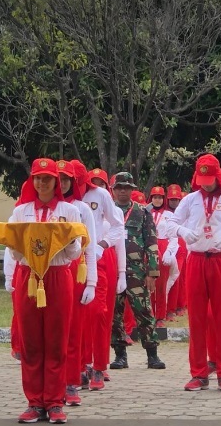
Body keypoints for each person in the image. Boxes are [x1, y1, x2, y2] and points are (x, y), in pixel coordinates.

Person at [2, 158, 83, 423]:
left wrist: (64, 239)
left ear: (56, 182)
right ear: (31, 181)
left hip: (58, 276)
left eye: (47, 178)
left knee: (57, 340)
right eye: (37, 178)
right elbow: (13, 251)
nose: (42, 183)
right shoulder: (21, 212)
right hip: (28, 278)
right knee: (31, 342)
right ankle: (35, 402)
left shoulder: (68, 211)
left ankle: (55, 401)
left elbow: (75, 252)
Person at [167, 154, 221, 392]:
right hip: (196, 260)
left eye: (210, 179)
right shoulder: (190, 200)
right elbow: (169, 224)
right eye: (202, 179)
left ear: (218, 176)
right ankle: (198, 373)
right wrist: (184, 232)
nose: (206, 184)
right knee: (196, 318)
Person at [109, 172, 166, 371]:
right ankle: (120, 355)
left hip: (136, 271)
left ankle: (152, 354)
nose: (123, 191)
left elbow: (151, 243)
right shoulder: (107, 211)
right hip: (113, 269)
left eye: (126, 187)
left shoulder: (142, 213)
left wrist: (152, 272)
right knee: (115, 313)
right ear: (113, 190)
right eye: (119, 187)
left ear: (132, 190)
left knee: (144, 311)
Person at [56, 160, 98, 406]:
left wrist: (91, 281)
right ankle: (53, 381)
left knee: (73, 330)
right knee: (53, 331)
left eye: (65, 179)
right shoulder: (40, 208)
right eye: (57, 178)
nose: (61, 183)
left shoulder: (82, 208)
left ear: (73, 182)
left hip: (77, 269)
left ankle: (71, 382)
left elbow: (89, 246)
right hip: (48, 271)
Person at [82, 163, 127, 390]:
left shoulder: (100, 197)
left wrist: (102, 244)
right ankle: (81, 365)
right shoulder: (64, 200)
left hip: (99, 258)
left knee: (99, 313)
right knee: (76, 317)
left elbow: (118, 231)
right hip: (71, 261)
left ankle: (99, 366)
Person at [147, 186, 179, 328]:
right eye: (155, 197)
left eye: (160, 197)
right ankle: (148, 314)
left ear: (163, 199)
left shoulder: (169, 215)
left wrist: (169, 252)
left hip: (163, 245)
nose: (157, 200)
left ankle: (160, 316)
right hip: (148, 247)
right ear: (151, 198)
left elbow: (174, 237)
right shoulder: (145, 212)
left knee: (161, 284)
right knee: (147, 283)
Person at [165, 184, 187, 320]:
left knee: (177, 278)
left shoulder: (184, 212)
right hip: (166, 248)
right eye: (171, 199)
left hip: (181, 248)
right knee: (165, 279)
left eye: (176, 199)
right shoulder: (164, 214)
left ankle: (175, 307)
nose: (174, 202)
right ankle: (165, 308)